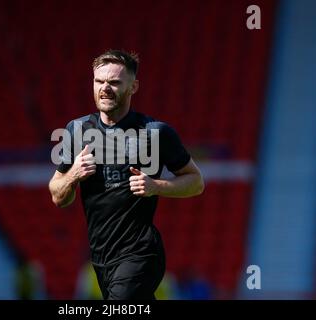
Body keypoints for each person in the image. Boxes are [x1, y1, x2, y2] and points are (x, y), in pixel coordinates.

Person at [48, 49, 204, 300]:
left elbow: (196, 182)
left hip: (140, 253)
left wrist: (157, 186)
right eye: (99, 81)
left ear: (133, 87)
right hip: (100, 260)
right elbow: (58, 195)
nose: (105, 88)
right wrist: (73, 175)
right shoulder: (76, 130)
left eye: (114, 82)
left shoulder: (155, 132)